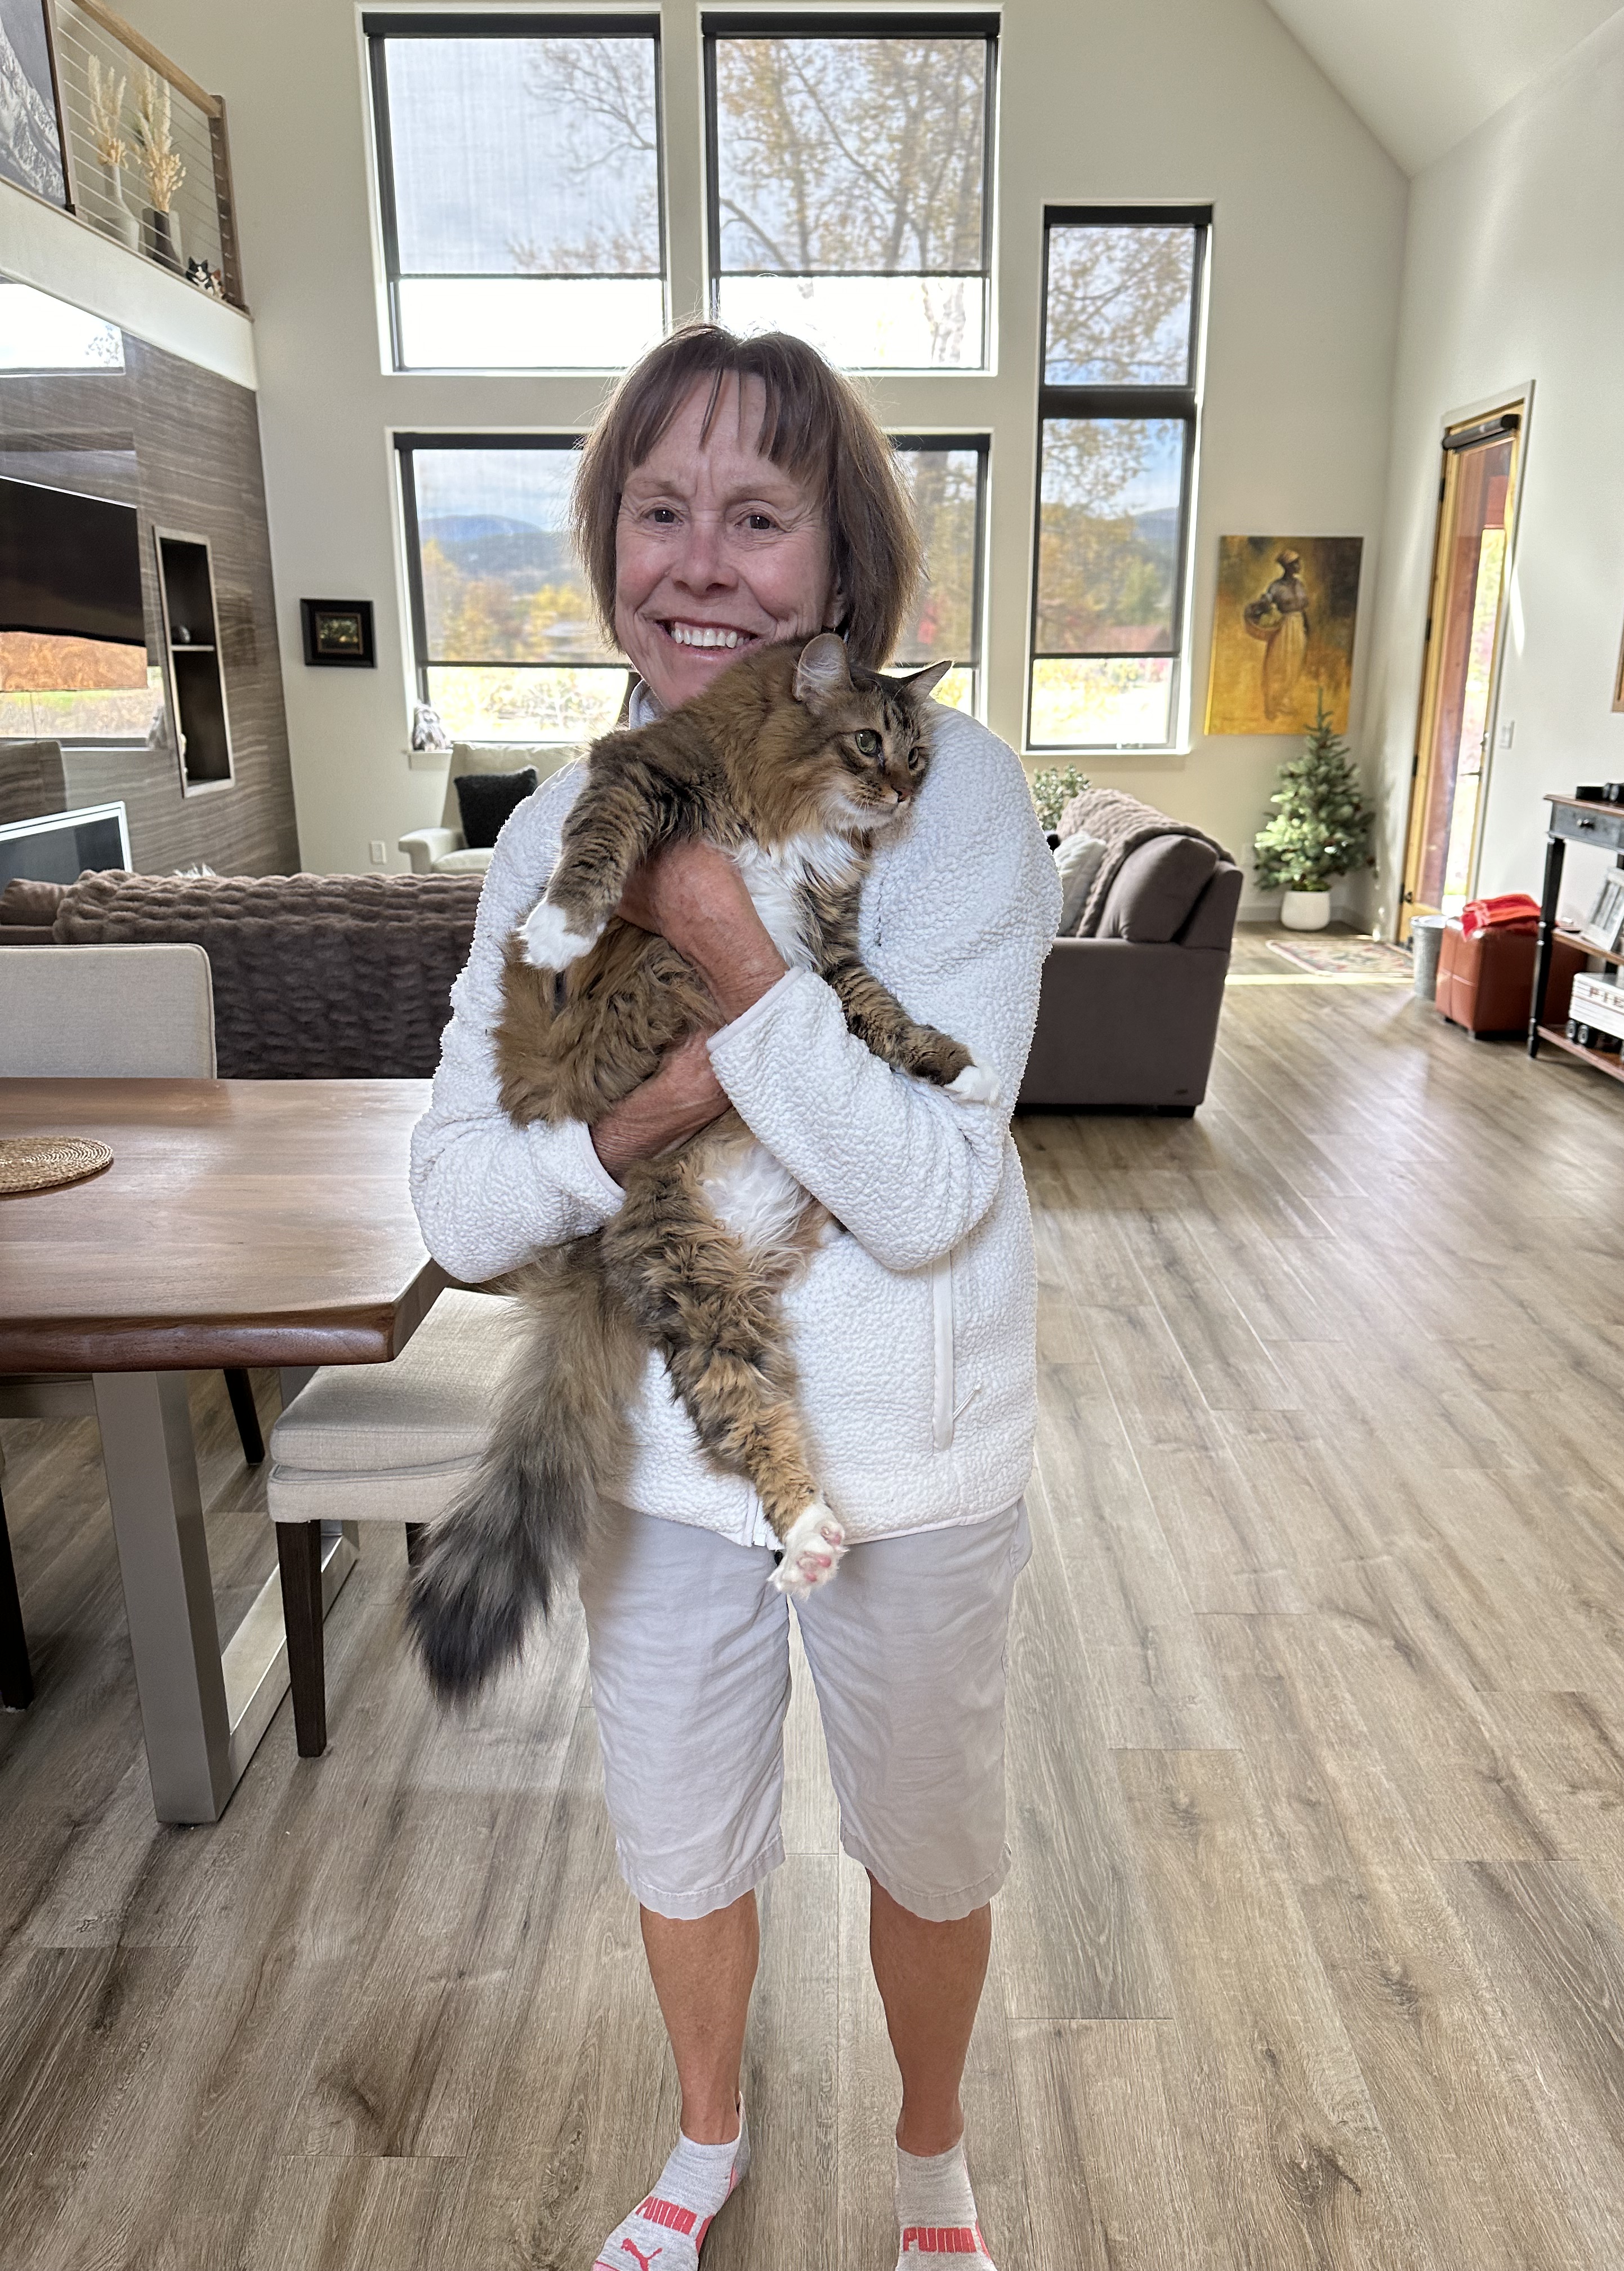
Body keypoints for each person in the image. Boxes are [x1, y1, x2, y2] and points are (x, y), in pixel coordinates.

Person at [411, 324, 1059, 2271]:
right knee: (679, 1835)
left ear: (840, 563)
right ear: (608, 544)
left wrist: (711, 931)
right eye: (659, 510)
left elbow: (926, 1195)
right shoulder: (550, 829)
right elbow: (457, 1207)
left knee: (928, 1843)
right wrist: (645, 1117)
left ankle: (930, 2162)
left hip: (912, 1464)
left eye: (757, 517)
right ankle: (706, 2143)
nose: (699, 563)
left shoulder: (954, 799)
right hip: (662, 1456)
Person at [1244, 544, 1309, 721]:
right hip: (1284, 627)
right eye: (1295, 563)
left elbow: (1303, 610)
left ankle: (1284, 701)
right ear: (1287, 566)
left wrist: (1306, 628)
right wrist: (1260, 607)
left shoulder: (1299, 585)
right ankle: (1271, 704)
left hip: (1298, 626)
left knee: (1294, 665)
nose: (1299, 566)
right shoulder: (1276, 586)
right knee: (1278, 664)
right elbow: (1266, 603)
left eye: (1299, 563)